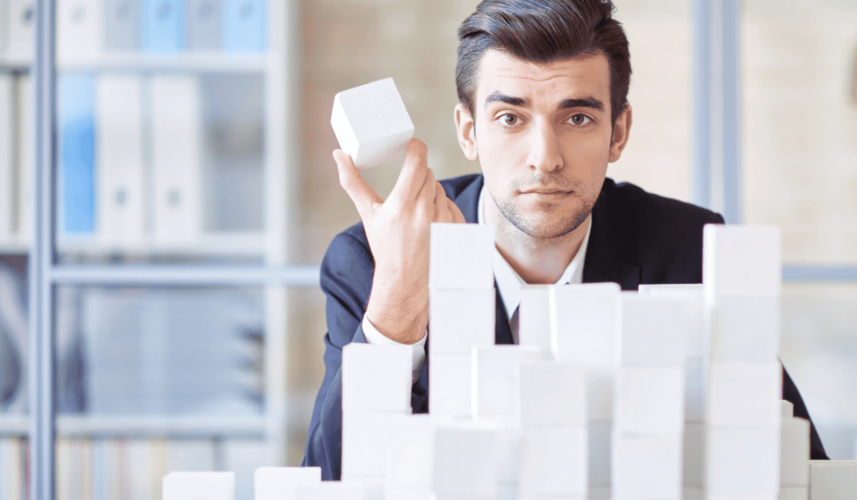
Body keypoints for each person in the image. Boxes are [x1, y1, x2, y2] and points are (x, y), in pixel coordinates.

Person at [304, 0, 828, 477]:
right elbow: (331, 477)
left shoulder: (692, 249)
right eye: (510, 118)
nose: (545, 157)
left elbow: (799, 470)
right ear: (469, 133)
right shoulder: (370, 261)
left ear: (617, 133)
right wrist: (399, 299)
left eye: (577, 118)